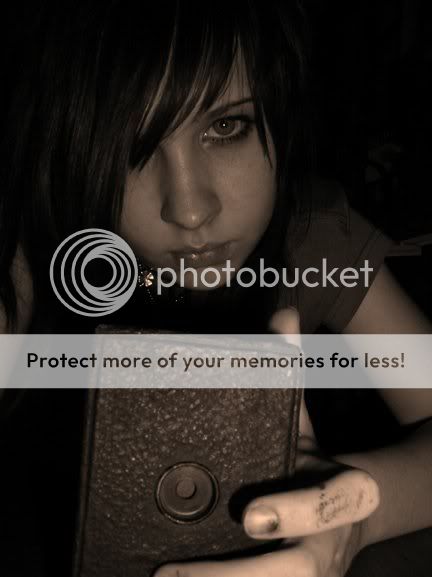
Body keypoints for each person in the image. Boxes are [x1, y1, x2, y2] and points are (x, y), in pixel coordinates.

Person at [1, 1, 431, 576]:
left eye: (226, 127)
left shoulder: (313, 241)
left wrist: (353, 516)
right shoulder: (41, 254)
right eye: (129, 149)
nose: (190, 210)